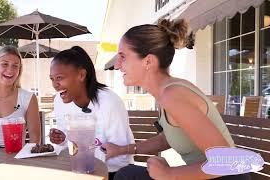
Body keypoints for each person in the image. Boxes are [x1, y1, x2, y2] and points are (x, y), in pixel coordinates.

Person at [101, 19, 251, 180]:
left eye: (123, 57)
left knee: (127, 176)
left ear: (148, 61)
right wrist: (123, 150)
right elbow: (171, 136)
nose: (117, 65)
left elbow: (228, 162)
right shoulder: (167, 92)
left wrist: (169, 174)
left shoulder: (173, 95)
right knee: (127, 174)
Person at [49, 46, 134, 180]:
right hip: (76, 170)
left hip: (112, 173)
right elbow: (69, 146)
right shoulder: (59, 101)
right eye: (52, 79)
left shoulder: (109, 101)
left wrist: (86, 154)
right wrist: (62, 139)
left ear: (81, 75)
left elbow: (121, 155)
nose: (55, 85)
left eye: (59, 77)